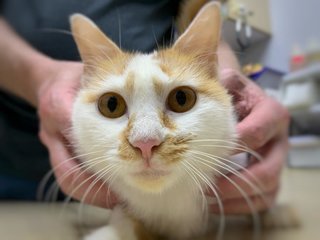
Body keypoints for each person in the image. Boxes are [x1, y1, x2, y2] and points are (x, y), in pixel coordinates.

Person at [0, 0, 289, 214]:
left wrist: (222, 75)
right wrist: (37, 78)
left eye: (181, 99)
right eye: (112, 105)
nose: (145, 139)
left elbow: (202, 11)